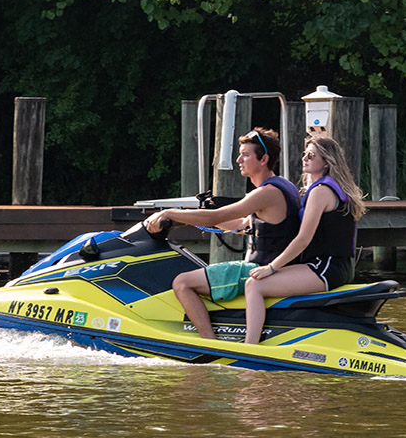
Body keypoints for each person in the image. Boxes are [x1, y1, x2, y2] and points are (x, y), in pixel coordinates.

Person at [145, 127, 300, 339]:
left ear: (263, 159)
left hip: (259, 269)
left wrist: (171, 212)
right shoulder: (284, 186)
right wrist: (184, 221)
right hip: (272, 268)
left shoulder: (266, 193)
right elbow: (239, 223)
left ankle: (209, 343)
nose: (238, 160)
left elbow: (214, 217)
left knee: (182, 282)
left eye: (245, 155)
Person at [244, 135, 365, 344]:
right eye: (304, 154)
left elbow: (303, 239)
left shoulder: (320, 192)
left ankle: (249, 346)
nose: (305, 158)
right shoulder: (330, 188)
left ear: (327, 162)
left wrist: (271, 268)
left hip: (326, 267)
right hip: (336, 266)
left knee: (254, 285)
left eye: (312, 155)